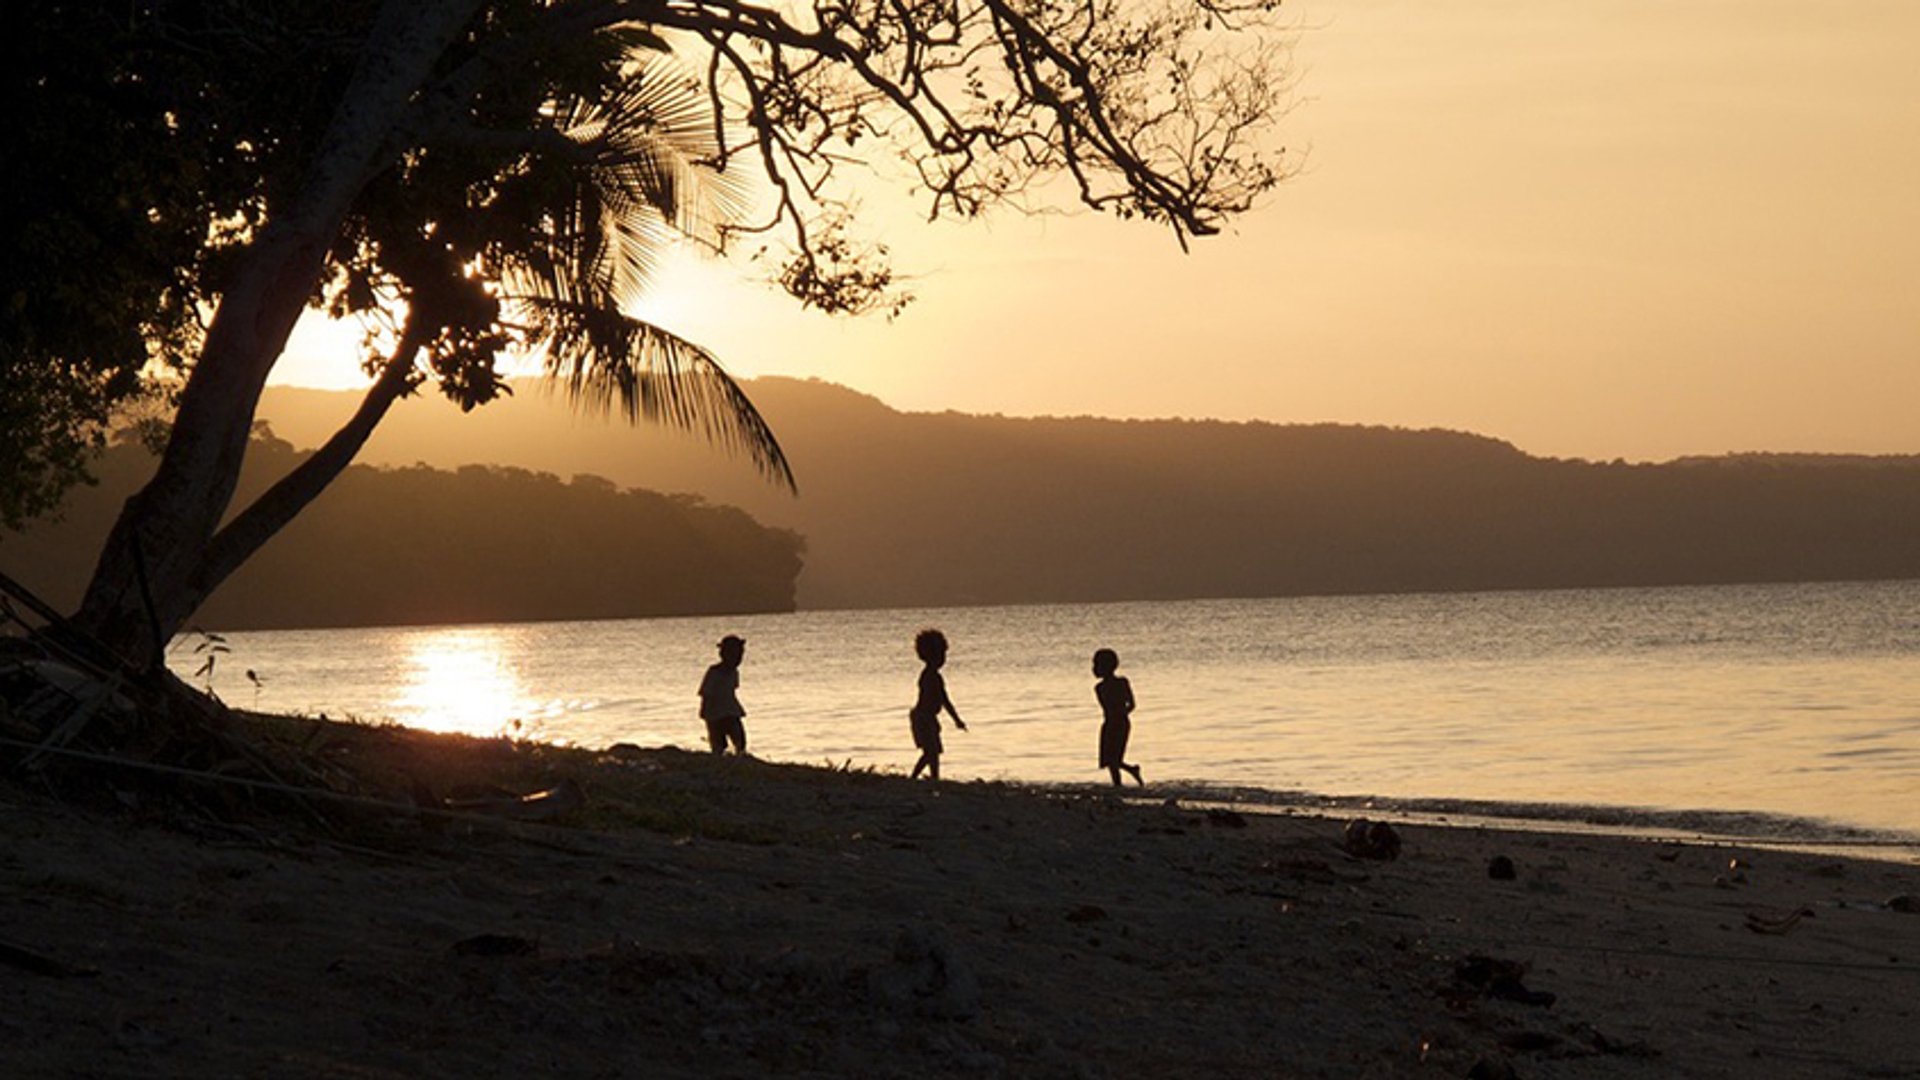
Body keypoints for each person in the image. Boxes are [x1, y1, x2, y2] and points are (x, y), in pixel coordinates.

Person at [909, 628, 966, 780]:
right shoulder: (931, 676)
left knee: (933, 752)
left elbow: (943, 700)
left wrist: (956, 720)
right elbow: (944, 700)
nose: (943, 659)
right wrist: (956, 719)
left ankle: (934, 777)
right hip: (923, 718)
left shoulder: (933, 675)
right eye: (941, 656)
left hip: (928, 717)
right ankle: (916, 778)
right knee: (931, 752)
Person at [1093, 647, 1143, 786]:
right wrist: (1121, 714)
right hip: (1111, 723)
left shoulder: (1116, 684)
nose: (1094, 668)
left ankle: (1120, 784)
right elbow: (1129, 705)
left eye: (1097, 664)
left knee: (1114, 759)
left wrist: (1120, 716)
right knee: (1111, 761)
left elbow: (1131, 704)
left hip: (1118, 723)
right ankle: (1128, 774)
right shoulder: (1100, 687)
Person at [697, 634, 749, 755]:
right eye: (735, 655)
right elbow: (706, 693)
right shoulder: (714, 672)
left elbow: (732, 690)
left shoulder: (734, 672)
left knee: (739, 739)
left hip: (731, 710)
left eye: (740, 656)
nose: (738, 659)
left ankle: (739, 758)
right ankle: (720, 759)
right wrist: (705, 711)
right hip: (715, 713)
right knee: (718, 743)